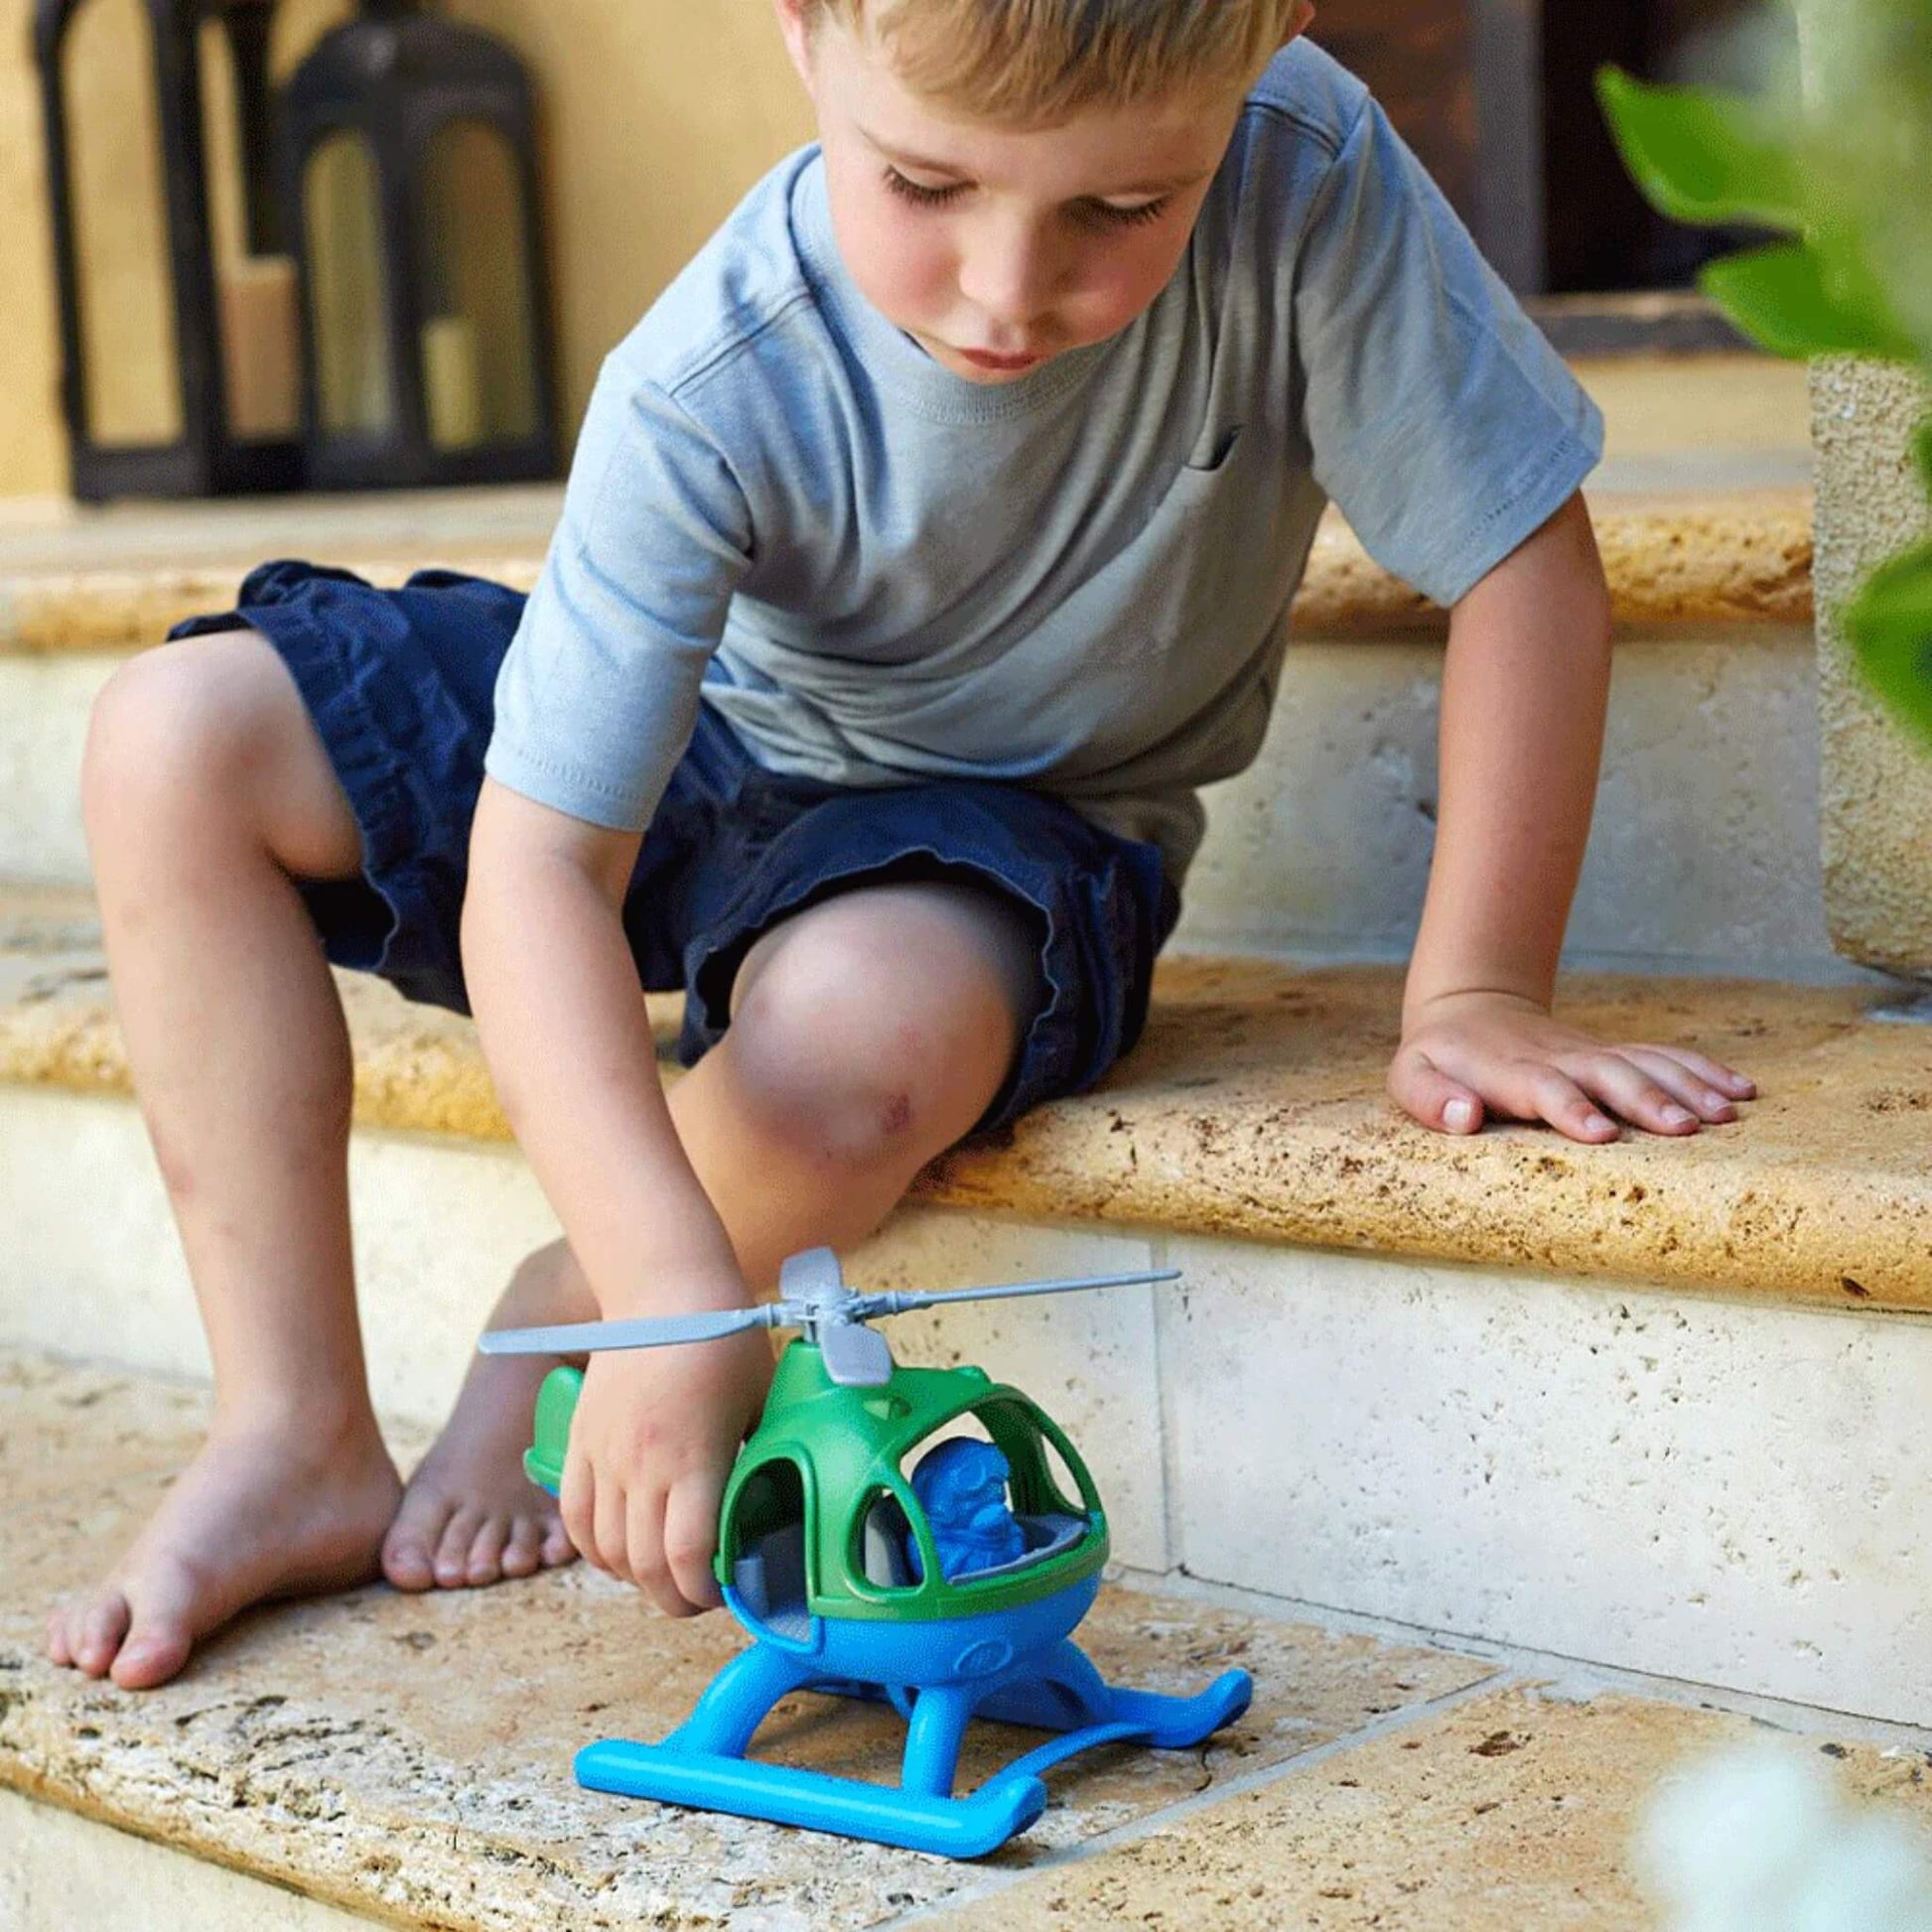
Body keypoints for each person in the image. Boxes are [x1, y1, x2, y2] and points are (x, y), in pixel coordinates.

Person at [47, 0, 1754, 1692]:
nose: (1011, 289)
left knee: (854, 1049)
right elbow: (539, 871)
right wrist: (674, 1294)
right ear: (800, 29)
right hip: (719, 732)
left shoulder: (1301, 162)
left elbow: (1519, 555)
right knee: (174, 736)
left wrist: (1473, 984)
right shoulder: (710, 375)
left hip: (1006, 823)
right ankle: (294, 1426)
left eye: (1118, 208)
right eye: (925, 186)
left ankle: (550, 1286)